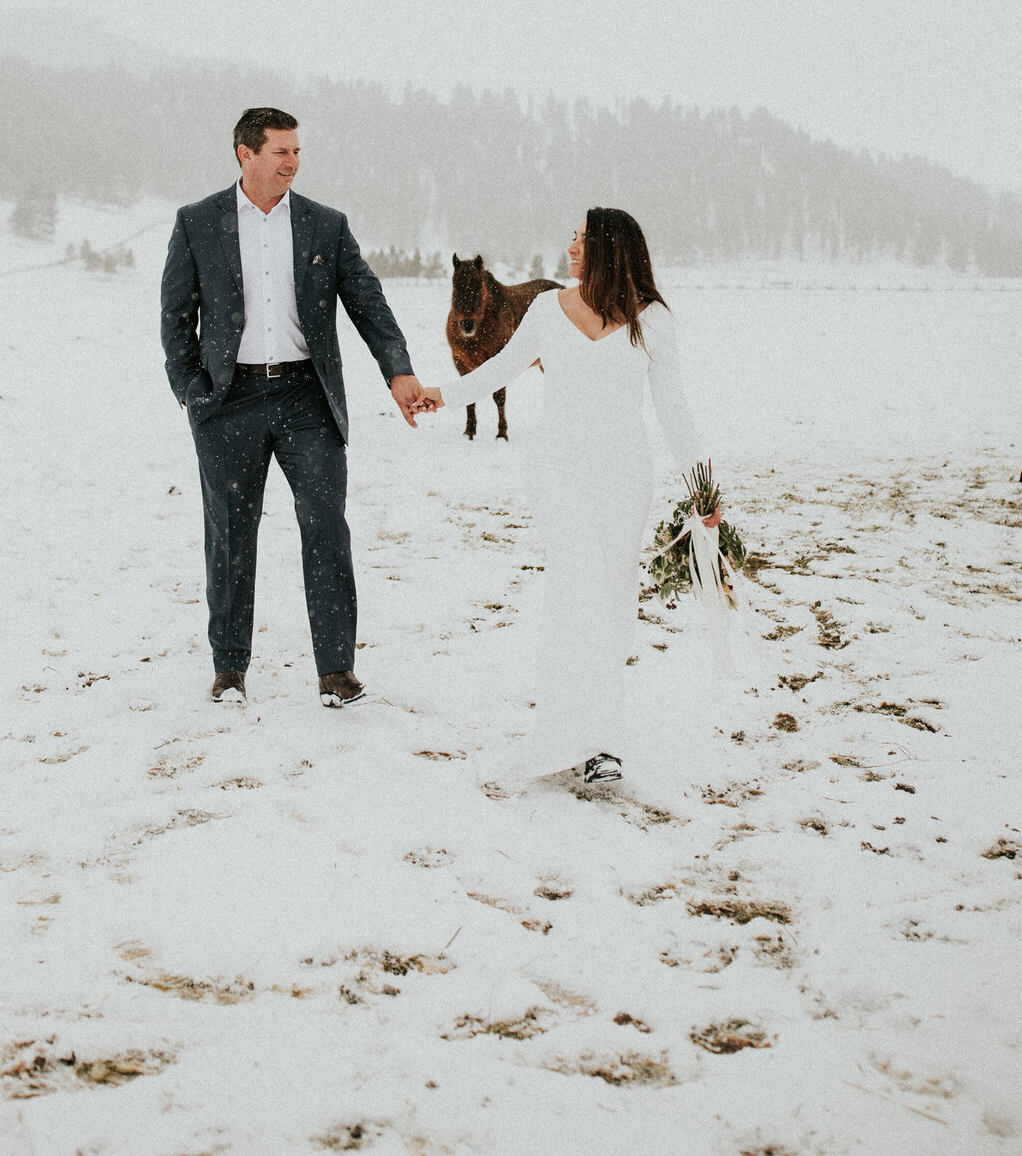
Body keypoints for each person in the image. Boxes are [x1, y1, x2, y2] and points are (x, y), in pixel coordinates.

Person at [416, 208, 718, 784]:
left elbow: (673, 408)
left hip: (624, 476)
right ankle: (565, 735)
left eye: (580, 239)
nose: (570, 246)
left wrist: (703, 487)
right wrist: (441, 396)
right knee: (575, 592)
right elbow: (499, 368)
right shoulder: (546, 311)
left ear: (607, 249)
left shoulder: (650, 320)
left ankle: (603, 741)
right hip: (559, 473)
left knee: (611, 602)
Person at [160, 107, 428, 706]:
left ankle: (336, 670)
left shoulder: (323, 225)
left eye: (297, 152)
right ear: (245, 154)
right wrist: (190, 391)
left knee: (326, 527)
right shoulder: (197, 222)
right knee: (229, 534)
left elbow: (368, 302)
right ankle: (229, 668)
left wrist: (399, 370)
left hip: (308, 398)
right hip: (227, 403)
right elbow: (176, 317)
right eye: (280, 151)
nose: (292, 163)